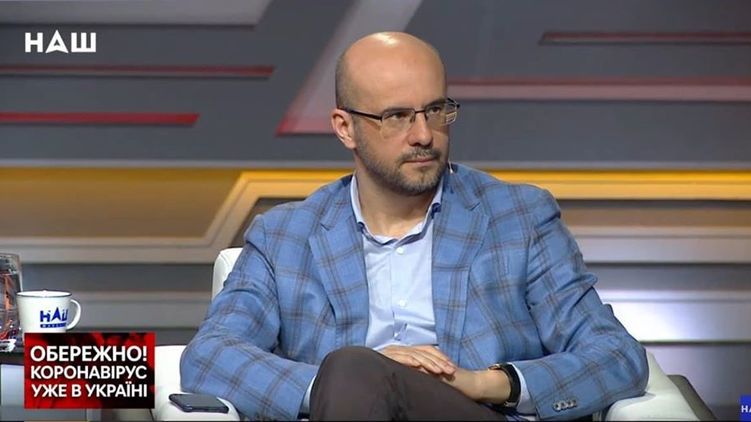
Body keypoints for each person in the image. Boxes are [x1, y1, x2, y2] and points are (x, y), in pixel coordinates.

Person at [180, 31, 648, 420]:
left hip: (475, 413)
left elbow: (615, 355)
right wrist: (346, 382)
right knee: (353, 370)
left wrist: (486, 383)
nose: (424, 134)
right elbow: (210, 355)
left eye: (436, 110)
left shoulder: (519, 218)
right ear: (345, 128)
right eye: (397, 116)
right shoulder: (285, 237)